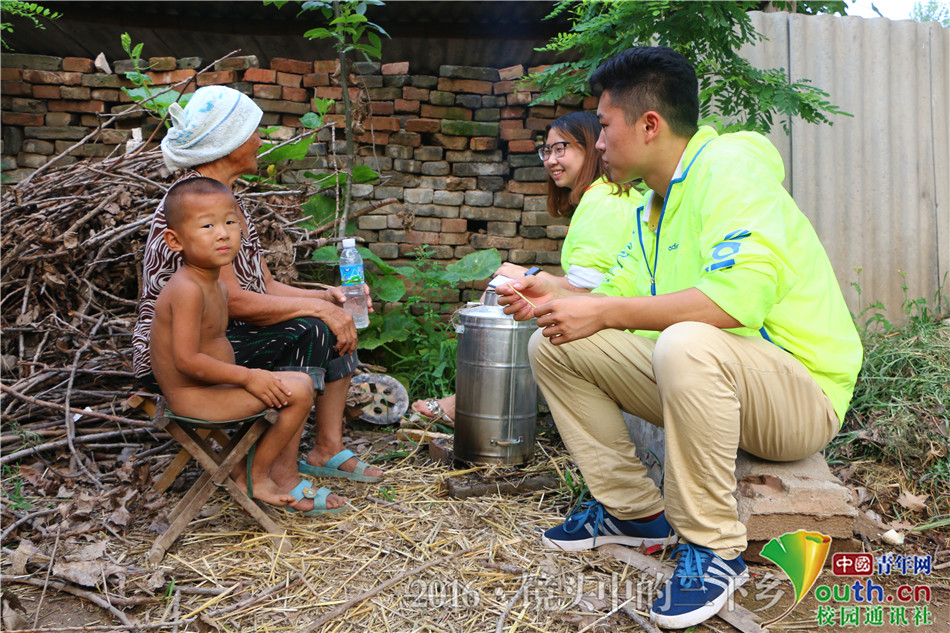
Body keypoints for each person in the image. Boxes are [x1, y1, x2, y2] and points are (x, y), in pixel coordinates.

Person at [497, 47, 862, 630]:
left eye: (605, 126)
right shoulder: (652, 205)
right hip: (722, 381)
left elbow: (736, 301)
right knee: (557, 342)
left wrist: (608, 312)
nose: (598, 144)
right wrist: (556, 299)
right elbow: (620, 299)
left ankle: (715, 551)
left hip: (799, 396)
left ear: (649, 125)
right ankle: (634, 513)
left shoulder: (729, 171)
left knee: (686, 339)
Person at [132, 86, 383, 498]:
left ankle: (326, 448)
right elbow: (238, 302)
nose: (261, 141)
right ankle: (280, 476)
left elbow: (263, 285)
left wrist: (327, 296)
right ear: (229, 144)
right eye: (254, 132)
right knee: (311, 329)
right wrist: (319, 313)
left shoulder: (227, 202)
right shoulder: (194, 205)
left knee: (338, 314)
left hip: (221, 341)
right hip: (189, 353)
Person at [410, 111, 642, 424]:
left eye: (561, 149)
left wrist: (529, 276)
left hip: (626, 330)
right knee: (511, 287)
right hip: (622, 321)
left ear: (591, 147)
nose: (550, 160)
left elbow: (591, 294)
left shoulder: (603, 201)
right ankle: (481, 402)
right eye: (547, 151)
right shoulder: (607, 196)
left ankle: (470, 402)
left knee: (505, 291)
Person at [150, 178, 341, 514]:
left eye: (229, 222)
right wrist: (247, 377)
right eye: (207, 225)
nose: (222, 233)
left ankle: (250, 470)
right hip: (194, 397)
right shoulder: (187, 289)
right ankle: (255, 476)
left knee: (301, 383)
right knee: (297, 392)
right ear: (174, 240)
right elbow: (186, 360)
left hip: (215, 387)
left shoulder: (216, 287)